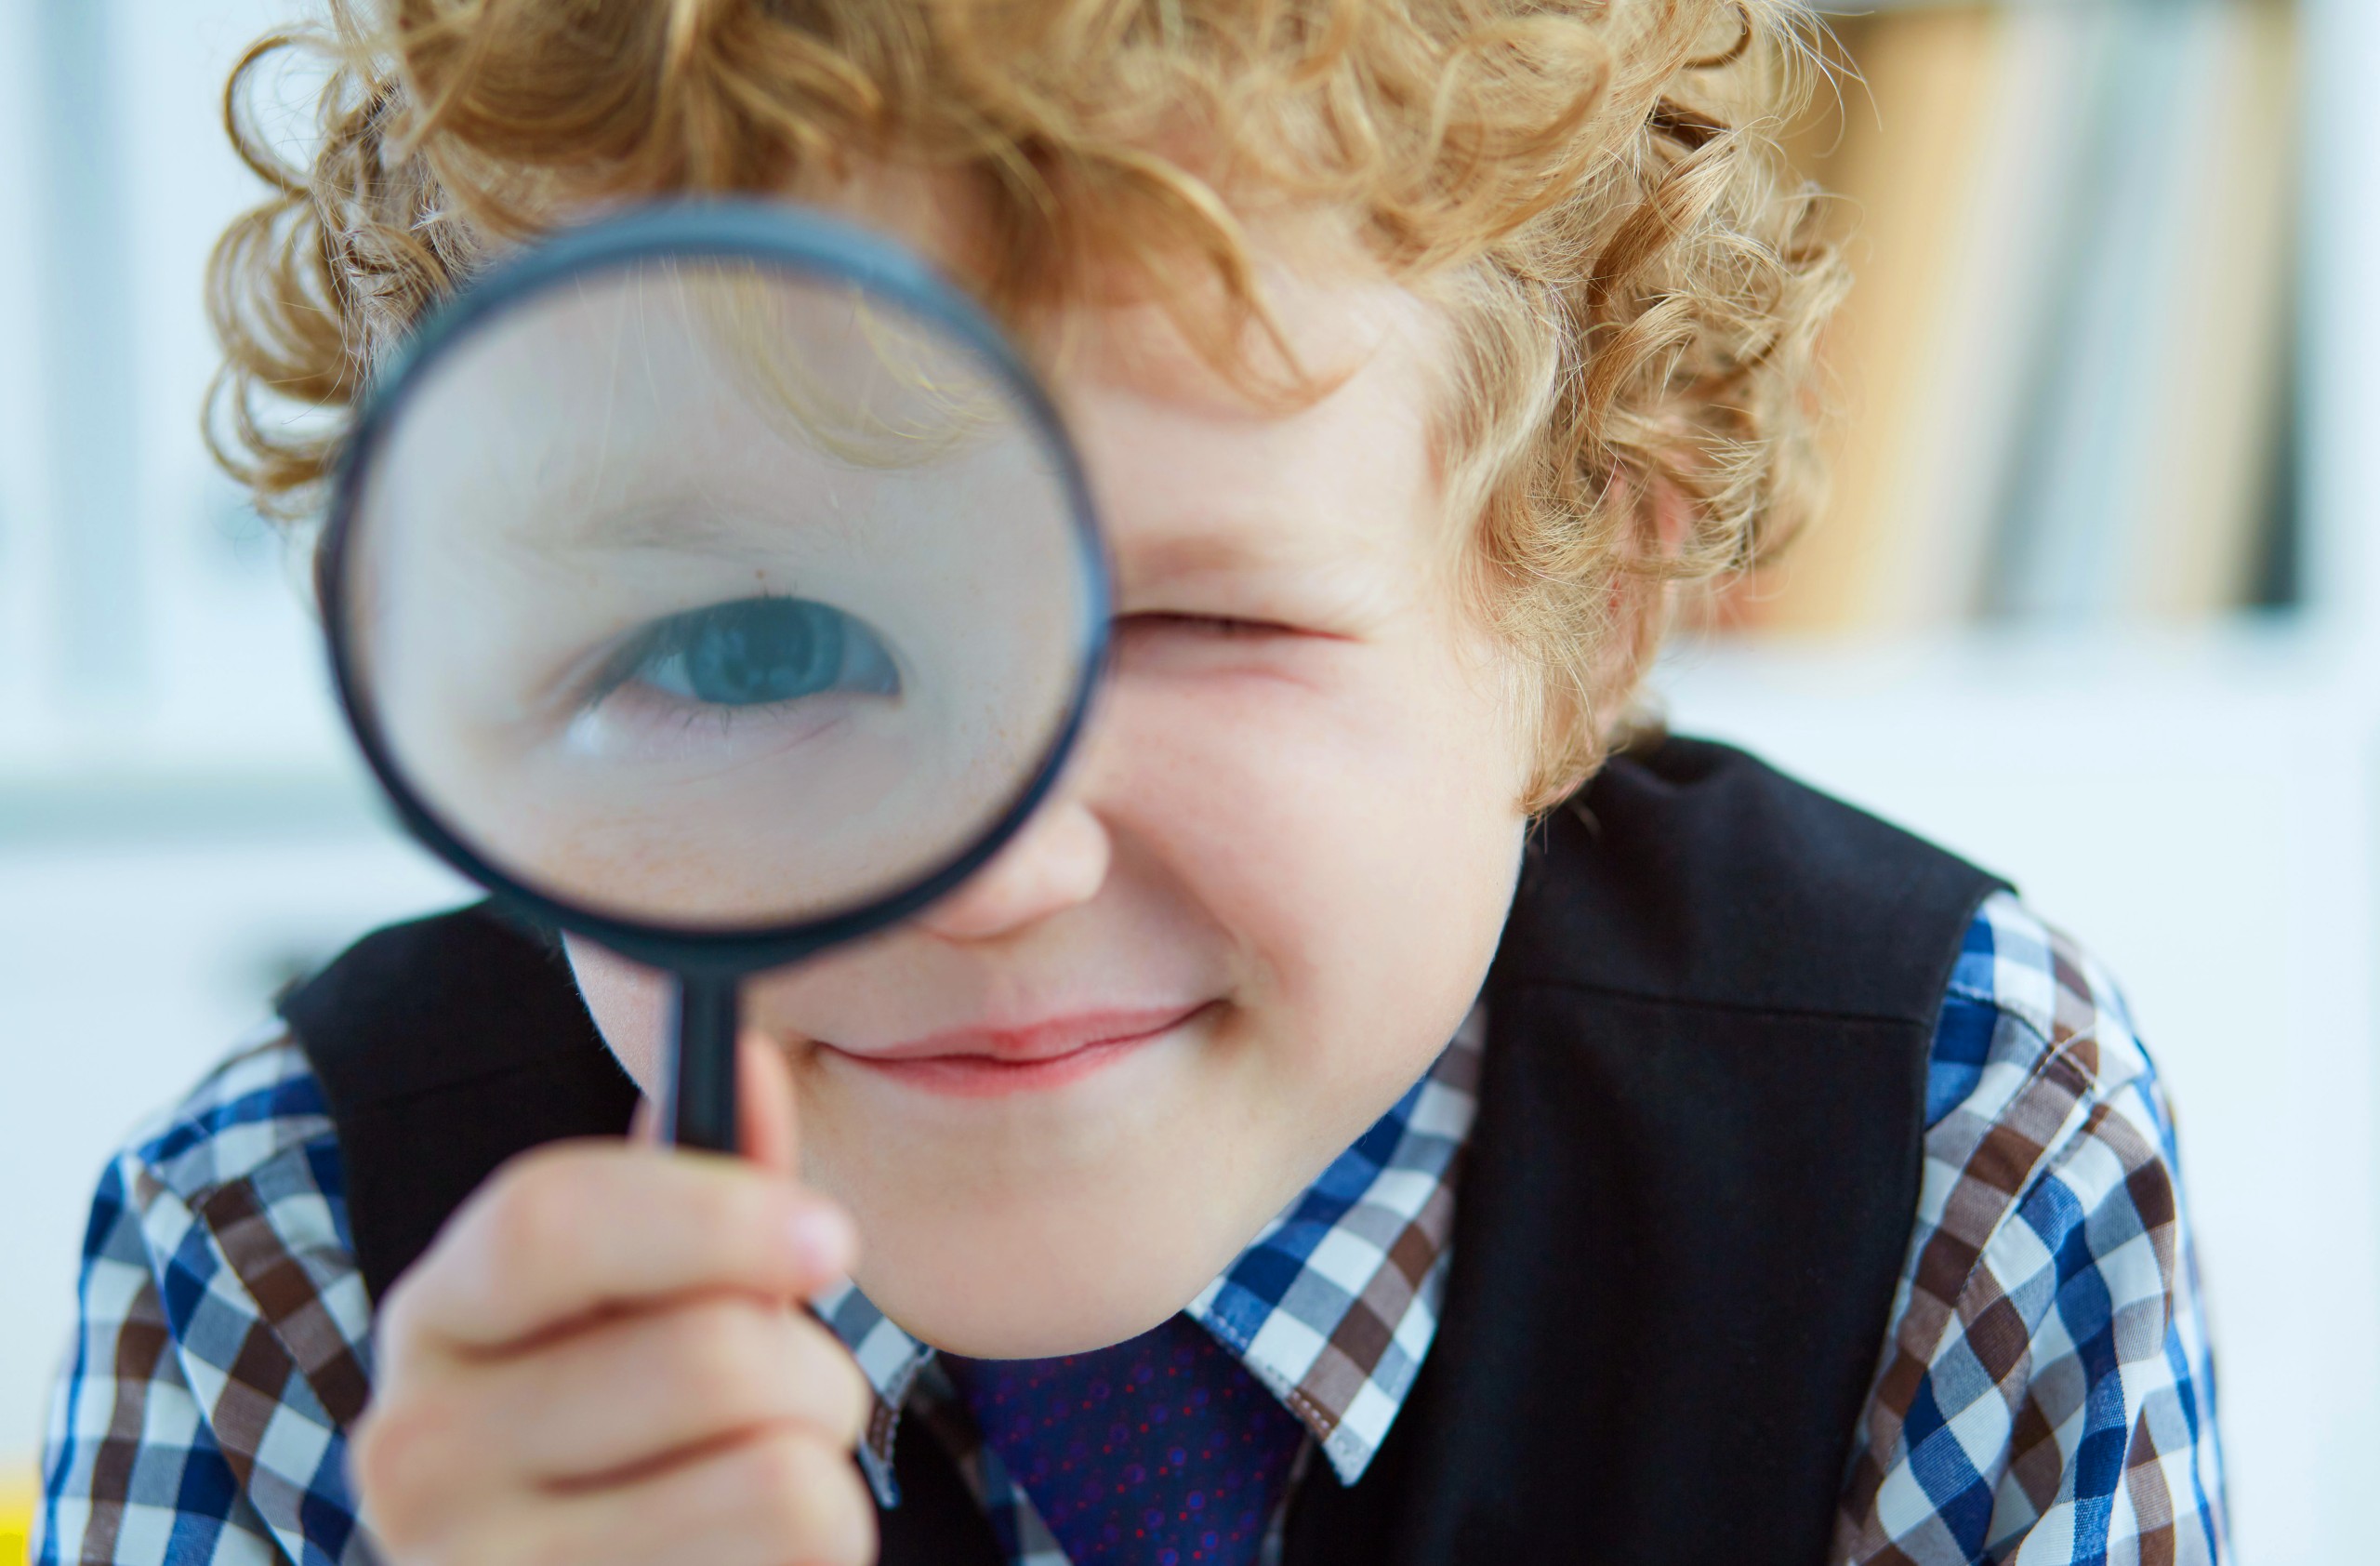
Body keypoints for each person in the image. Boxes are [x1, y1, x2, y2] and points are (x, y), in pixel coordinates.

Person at [36, 2, 2225, 1562]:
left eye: (1187, 623)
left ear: (1591, 595)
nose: (986, 865)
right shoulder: (284, 1259)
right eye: (755, 642)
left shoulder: (1948, 1149)